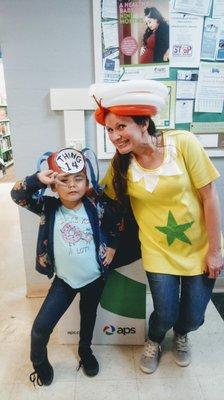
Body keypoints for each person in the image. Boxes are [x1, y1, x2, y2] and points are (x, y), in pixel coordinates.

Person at [89, 80, 223, 374]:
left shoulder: (183, 143)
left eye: (121, 127)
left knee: (194, 316)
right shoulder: (121, 165)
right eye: (109, 130)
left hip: (200, 247)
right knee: (165, 312)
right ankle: (155, 338)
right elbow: (99, 196)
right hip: (157, 251)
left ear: (144, 123)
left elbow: (210, 197)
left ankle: (183, 334)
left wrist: (215, 251)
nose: (114, 136)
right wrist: (62, 180)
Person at [11, 147, 120, 385]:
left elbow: (116, 223)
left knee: (88, 315)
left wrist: (112, 245)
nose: (72, 185)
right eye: (64, 180)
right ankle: (39, 361)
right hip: (64, 281)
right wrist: (37, 179)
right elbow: (17, 195)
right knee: (41, 328)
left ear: (86, 181)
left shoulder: (96, 206)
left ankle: (85, 350)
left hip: (94, 278)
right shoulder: (48, 207)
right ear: (53, 186)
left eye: (78, 179)